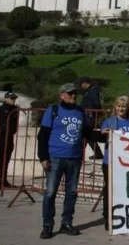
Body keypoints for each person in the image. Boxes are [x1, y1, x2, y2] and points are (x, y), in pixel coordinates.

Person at [37, 83, 105, 239]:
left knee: (72, 193)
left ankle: (66, 223)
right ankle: (47, 225)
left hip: (74, 158)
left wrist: (106, 135)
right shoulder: (53, 110)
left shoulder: (80, 111)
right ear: (61, 95)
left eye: (75, 93)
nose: (73, 95)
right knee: (50, 193)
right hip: (55, 157)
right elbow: (43, 135)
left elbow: (88, 133)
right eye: (70, 93)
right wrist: (43, 157)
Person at [98, 96, 129, 230]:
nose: (121, 109)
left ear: (128, 108)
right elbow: (100, 136)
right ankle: (108, 217)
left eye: (124, 106)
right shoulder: (109, 121)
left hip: (127, 162)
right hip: (110, 161)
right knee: (109, 190)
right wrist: (103, 133)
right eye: (119, 106)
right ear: (115, 107)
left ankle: (123, 216)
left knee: (124, 189)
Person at [0, 92, 19, 191]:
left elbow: (14, 126)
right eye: (11, 98)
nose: (13, 100)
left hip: (9, 138)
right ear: (6, 99)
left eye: (14, 98)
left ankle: (3, 182)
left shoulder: (15, 111)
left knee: (5, 161)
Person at [78, 77, 104, 160]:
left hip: (90, 116)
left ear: (85, 83)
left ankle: (80, 155)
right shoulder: (90, 91)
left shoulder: (92, 91)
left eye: (81, 84)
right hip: (88, 116)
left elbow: (96, 104)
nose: (80, 87)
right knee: (88, 136)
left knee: (86, 134)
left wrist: (91, 112)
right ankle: (97, 153)